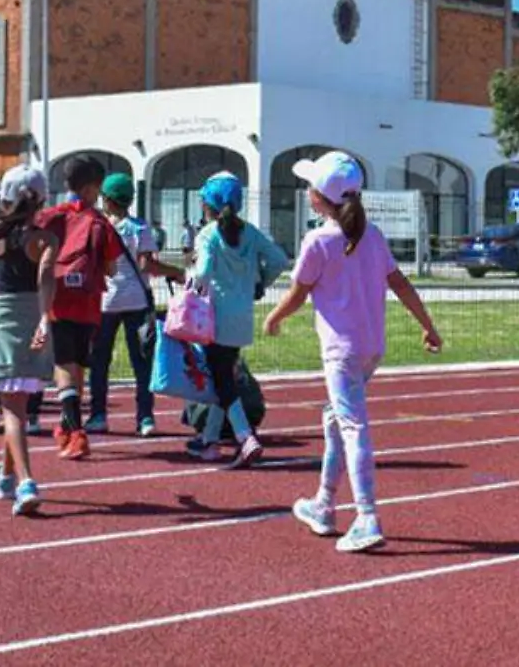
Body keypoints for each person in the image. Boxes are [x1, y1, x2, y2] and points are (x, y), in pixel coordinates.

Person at [267, 151, 442, 554]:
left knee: (351, 427)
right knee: (336, 420)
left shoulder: (319, 241)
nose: (307, 190)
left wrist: (274, 318)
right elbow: (400, 284)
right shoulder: (372, 235)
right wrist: (428, 326)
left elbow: (298, 293)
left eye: (310, 185)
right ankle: (324, 504)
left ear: (318, 198)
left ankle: (366, 516)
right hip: (369, 348)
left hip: (342, 352)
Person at [184, 171, 287, 465]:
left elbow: (202, 272)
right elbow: (279, 260)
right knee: (223, 377)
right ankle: (209, 441)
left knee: (222, 382)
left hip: (214, 318)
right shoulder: (251, 232)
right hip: (242, 318)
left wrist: (191, 283)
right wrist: (261, 283)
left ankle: (245, 437)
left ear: (209, 204)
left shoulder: (208, 234)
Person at [0, 165, 55, 516]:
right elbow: (47, 280)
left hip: (2, 318)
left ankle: (26, 482)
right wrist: (44, 317)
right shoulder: (46, 240)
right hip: (32, 316)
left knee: (11, 410)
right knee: (18, 405)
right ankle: (7, 476)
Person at [35, 156, 121, 461]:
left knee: (64, 367)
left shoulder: (51, 217)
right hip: (88, 302)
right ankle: (67, 426)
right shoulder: (99, 222)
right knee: (78, 368)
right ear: (89, 189)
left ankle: (76, 431)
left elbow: (34, 250)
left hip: (58, 299)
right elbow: (111, 268)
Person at [89, 173, 183, 437]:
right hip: (137, 301)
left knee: (100, 361)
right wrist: (174, 270)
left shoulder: (98, 227)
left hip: (105, 301)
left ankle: (98, 415)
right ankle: (145, 417)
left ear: (106, 199)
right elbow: (146, 265)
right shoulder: (140, 228)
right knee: (142, 361)